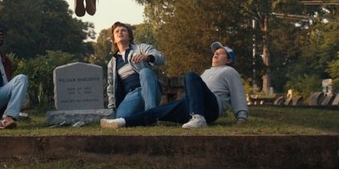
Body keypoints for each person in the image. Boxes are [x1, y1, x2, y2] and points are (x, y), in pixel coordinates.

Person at [101, 41, 248, 129]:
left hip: (211, 107)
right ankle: (121, 122)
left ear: (229, 60)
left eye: (220, 53)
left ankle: (198, 118)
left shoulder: (229, 71)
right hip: (192, 105)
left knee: (190, 76)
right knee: (156, 112)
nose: (215, 54)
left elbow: (238, 93)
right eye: (215, 52)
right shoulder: (207, 72)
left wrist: (241, 117)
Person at [106, 22, 166, 118]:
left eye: (123, 30)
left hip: (149, 88)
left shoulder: (141, 48)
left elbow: (161, 58)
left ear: (129, 36)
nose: (120, 32)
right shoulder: (112, 63)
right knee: (121, 117)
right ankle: (142, 114)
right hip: (132, 94)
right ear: (114, 40)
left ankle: (151, 114)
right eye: (117, 31)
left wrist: (147, 57)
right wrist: (112, 107)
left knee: (145, 72)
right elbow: (110, 87)